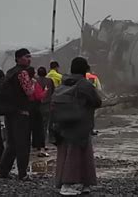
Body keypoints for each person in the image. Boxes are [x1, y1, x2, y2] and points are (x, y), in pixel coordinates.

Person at [53, 57, 102, 196]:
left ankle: (70, 183)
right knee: (80, 154)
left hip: (62, 124)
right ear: (86, 69)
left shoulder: (63, 82)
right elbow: (97, 102)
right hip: (80, 124)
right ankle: (71, 184)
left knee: (64, 154)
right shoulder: (84, 85)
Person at [0, 48, 35, 180]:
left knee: (11, 144)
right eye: (26, 57)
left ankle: (3, 171)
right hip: (21, 113)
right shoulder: (23, 73)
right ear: (18, 58)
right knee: (23, 144)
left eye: (30, 57)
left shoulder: (10, 72)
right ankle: (23, 173)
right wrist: (34, 83)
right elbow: (29, 92)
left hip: (9, 112)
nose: (29, 59)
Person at [36, 66, 54, 154]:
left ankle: (37, 144)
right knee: (45, 126)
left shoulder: (35, 81)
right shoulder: (50, 81)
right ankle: (43, 144)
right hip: (47, 106)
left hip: (37, 106)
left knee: (37, 126)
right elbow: (53, 92)